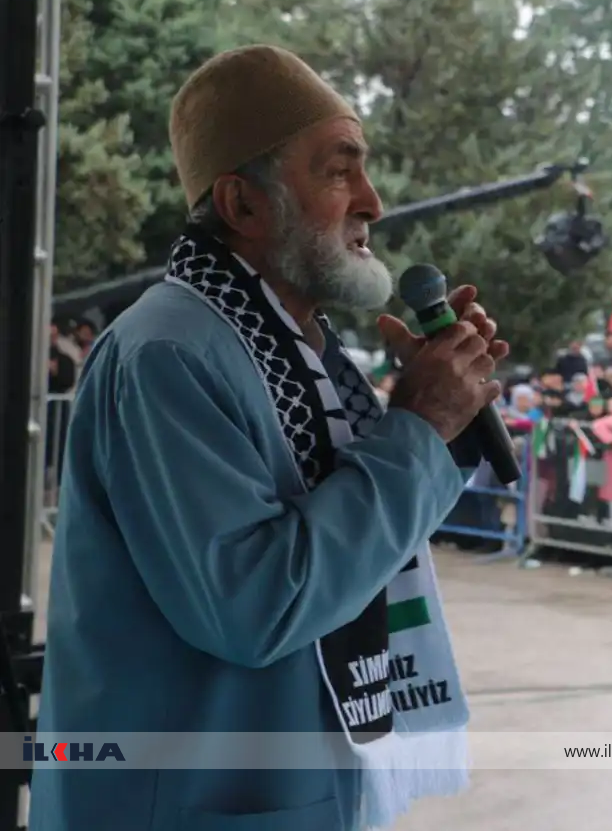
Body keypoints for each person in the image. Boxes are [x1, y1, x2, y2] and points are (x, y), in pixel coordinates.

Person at [31, 45, 509, 831]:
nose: (373, 202)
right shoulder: (167, 354)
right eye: (339, 171)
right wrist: (418, 427)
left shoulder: (300, 344)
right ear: (243, 204)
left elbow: (357, 531)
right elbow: (255, 605)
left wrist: (446, 422)